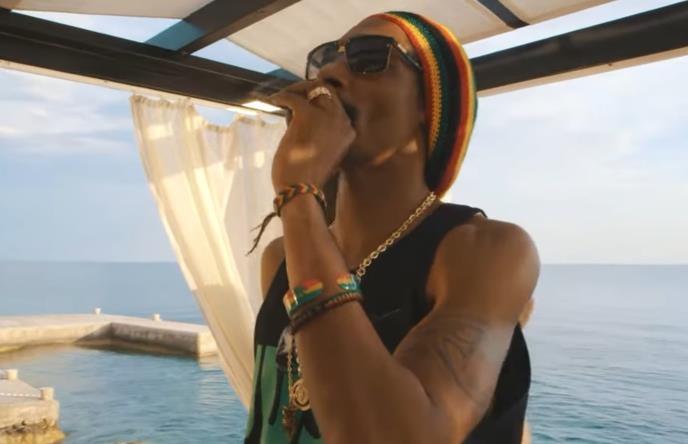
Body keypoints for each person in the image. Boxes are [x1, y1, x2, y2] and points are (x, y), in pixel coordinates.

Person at [244, 10, 539, 444]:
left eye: (368, 57)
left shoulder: (486, 251)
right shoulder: (282, 257)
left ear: (430, 102)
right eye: (324, 58)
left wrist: (297, 194)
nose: (328, 73)